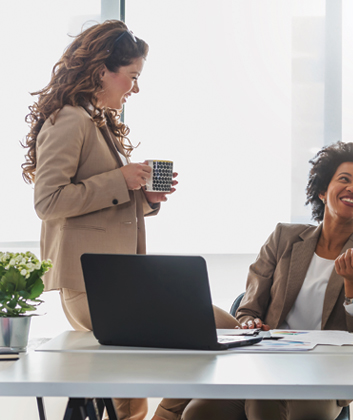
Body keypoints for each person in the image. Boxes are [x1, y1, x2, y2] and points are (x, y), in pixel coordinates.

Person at [22, 20, 239, 420]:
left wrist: (145, 199)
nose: (135, 88)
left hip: (117, 281)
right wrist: (119, 179)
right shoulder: (68, 120)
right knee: (218, 330)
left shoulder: (95, 121)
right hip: (92, 286)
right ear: (103, 70)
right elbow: (49, 201)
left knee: (217, 333)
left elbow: (101, 203)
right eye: (132, 76)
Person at [152, 141, 353, 420]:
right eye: (344, 179)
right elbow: (249, 305)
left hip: (324, 373)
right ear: (322, 191)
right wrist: (249, 322)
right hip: (268, 358)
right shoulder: (285, 237)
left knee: (262, 401)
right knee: (198, 412)